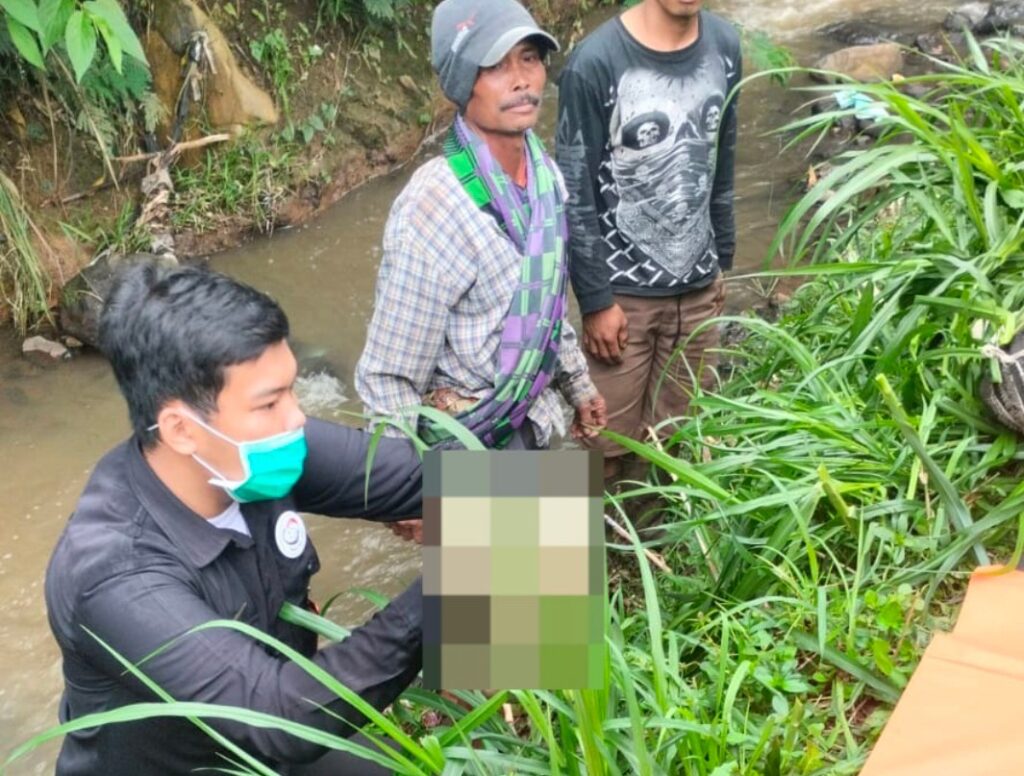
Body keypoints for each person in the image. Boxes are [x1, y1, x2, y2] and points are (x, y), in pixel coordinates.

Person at [44, 262, 424, 775]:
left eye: (291, 390)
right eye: (269, 403)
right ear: (181, 429)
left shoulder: (250, 455)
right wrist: (450, 593)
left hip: (274, 735)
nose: (297, 417)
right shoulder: (114, 573)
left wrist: (527, 537)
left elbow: (429, 479)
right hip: (230, 747)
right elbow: (277, 719)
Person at [355, 0, 606, 455]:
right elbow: (389, 379)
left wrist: (578, 385)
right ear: (461, 82)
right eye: (495, 66)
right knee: (558, 504)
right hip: (470, 443)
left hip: (537, 420)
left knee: (578, 506)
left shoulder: (545, 178)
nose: (521, 80)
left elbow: (547, 304)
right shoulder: (432, 208)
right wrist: (407, 486)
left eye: (529, 58)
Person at [556, 0, 741, 483]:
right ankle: (583, 538)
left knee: (677, 445)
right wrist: (595, 300)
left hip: (699, 290)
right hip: (623, 300)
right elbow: (573, 192)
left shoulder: (725, 46)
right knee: (604, 449)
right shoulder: (594, 63)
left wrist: (722, 260)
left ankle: (658, 536)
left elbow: (723, 155)